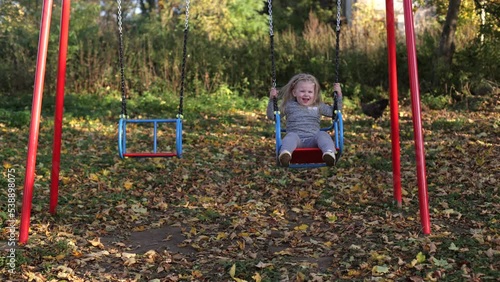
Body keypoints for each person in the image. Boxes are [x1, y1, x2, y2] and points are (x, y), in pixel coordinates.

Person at [266, 73, 341, 167]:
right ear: (294, 93)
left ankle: (329, 153)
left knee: (323, 134)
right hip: (296, 142)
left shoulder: (318, 106)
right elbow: (272, 116)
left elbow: (334, 112)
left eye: (310, 92)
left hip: (314, 141)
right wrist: (272, 100)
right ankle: (285, 154)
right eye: (302, 91)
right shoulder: (289, 105)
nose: (306, 94)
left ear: (315, 94)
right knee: (291, 136)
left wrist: (338, 96)